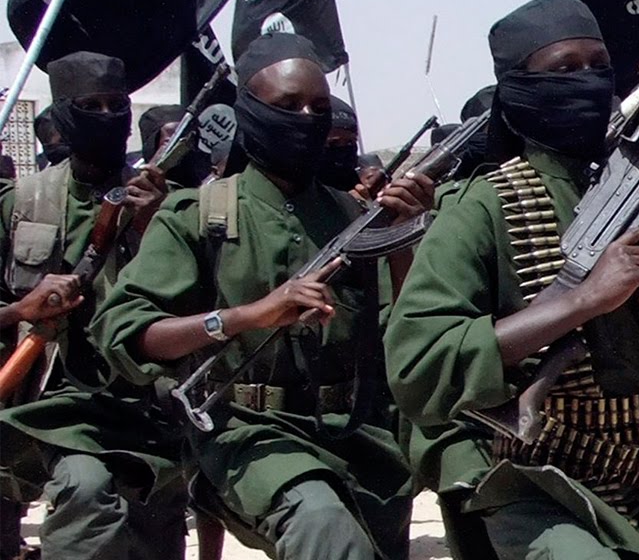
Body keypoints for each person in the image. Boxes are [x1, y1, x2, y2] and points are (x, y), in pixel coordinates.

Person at [382, 0, 639, 560]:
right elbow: (419, 364)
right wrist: (583, 300)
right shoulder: (483, 206)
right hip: (533, 465)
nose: (587, 80)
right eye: (564, 69)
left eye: (599, 66)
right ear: (518, 88)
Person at [94, 33, 434, 560]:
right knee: (322, 523)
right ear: (250, 111)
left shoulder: (355, 218)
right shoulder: (200, 214)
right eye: (287, 106)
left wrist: (404, 238)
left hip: (357, 437)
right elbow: (128, 334)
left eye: (319, 107)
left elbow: (405, 333)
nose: (307, 118)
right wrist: (248, 316)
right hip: (246, 433)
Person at [0, 52, 187, 560]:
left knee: (155, 530)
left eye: (116, 105)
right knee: (84, 490)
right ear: (63, 115)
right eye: (91, 106)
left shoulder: (171, 205)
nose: (107, 117)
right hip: (57, 405)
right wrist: (23, 310)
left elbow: (207, 303)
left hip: (151, 404)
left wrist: (157, 226)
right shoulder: (23, 202)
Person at [137, 104, 216, 189]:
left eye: (188, 136)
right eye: (173, 137)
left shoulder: (210, 174)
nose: (184, 143)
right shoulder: (132, 172)